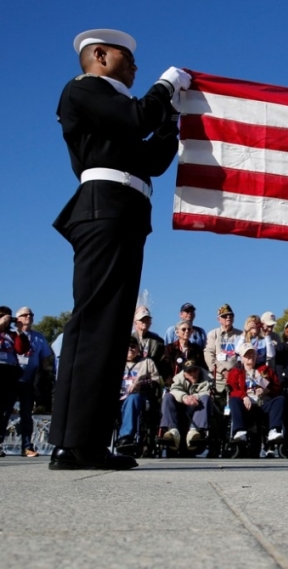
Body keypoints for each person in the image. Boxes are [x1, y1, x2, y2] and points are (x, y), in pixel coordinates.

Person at [50, 29, 191, 470]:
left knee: (111, 331)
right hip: (103, 208)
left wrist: (171, 122)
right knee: (94, 325)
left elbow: (149, 159)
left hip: (126, 211)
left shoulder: (114, 109)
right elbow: (136, 118)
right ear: (98, 55)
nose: (134, 67)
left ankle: (88, 441)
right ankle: (72, 442)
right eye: (127, 59)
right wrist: (167, 84)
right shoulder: (84, 90)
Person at [11, 307, 54, 457]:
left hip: (29, 381)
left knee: (26, 414)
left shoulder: (39, 337)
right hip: (12, 379)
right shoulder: (10, 335)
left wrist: (45, 379)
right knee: (4, 413)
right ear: (18, 318)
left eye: (31, 314)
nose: (29, 316)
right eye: (25, 314)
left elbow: (44, 359)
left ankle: (27, 446)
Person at [226, 342, 285, 445]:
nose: (251, 356)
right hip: (245, 405)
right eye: (247, 354)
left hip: (262, 402)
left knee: (280, 399)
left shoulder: (264, 370)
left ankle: (273, 430)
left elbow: (277, 386)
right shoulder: (235, 371)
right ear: (242, 357)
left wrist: (267, 390)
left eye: (253, 353)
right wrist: (244, 397)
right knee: (234, 400)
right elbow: (232, 389)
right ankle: (239, 431)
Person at [116, 336, 162, 449]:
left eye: (133, 347)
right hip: (118, 397)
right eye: (127, 347)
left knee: (133, 398)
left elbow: (157, 381)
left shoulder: (146, 362)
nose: (130, 349)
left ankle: (126, 436)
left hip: (138, 397)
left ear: (138, 348)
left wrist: (140, 384)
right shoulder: (115, 362)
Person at [160, 359, 213, 452]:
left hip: (199, 405)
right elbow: (174, 390)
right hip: (182, 405)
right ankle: (172, 431)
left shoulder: (207, 378)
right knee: (168, 396)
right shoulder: (178, 378)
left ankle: (194, 432)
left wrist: (194, 397)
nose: (193, 374)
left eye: (195, 370)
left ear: (199, 370)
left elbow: (207, 392)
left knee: (205, 397)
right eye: (189, 372)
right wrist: (184, 397)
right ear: (184, 373)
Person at [0, 306, 30, 458]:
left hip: (10, 373)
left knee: (5, 411)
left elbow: (22, 349)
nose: (6, 319)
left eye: (8, 317)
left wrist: (19, 331)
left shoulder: (11, 334)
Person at [204, 304, 243, 394]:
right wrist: (223, 370)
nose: (228, 317)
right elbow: (209, 356)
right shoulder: (213, 334)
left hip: (237, 377)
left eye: (231, 315)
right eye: (225, 316)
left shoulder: (241, 335)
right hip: (218, 378)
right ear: (219, 319)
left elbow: (244, 356)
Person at [162, 319, 207, 386]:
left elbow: (202, 366)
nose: (187, 331)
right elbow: (165, 369)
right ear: (177, 332)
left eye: (189, 329)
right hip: (175, 384)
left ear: (191, 332)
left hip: (193, 384)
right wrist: (170, 384)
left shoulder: (196, 349)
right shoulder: (169, 349)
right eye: (183, 329)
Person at [131, 305, 167, 378]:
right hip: (131, 375)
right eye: (142, 319)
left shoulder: (158, 341)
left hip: (150, 377)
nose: (145, 322)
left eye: (147, 319)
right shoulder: (129, 339)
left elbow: (161, 362)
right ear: (135, 322)